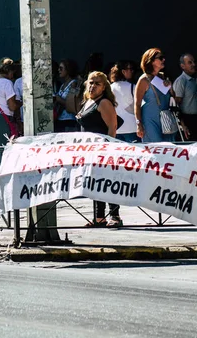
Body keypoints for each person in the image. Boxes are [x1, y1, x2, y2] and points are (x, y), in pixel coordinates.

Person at [75, 71, 122, 227]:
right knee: (94, 183)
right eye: (90, 82)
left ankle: (115, 216)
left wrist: (108, 149)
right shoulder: (87, 101)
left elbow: (112, 126)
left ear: (104, 87)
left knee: (107, 182)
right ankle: (99, 217)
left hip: (103, 150)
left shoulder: (104, 103)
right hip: (90, 150)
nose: (92, 86)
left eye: (97, 83)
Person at [134, 48, 175, 143]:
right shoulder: (144, 80)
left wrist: (170, 86)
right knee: (155, 148)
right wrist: (139, 124)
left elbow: (173, 99)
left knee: (168, 148)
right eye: (160, 58)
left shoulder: (162, 77)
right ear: (151, 61)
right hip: (150, 120)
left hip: (165, 119)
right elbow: (137, 104)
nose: (163, 60)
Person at [173, 53, 197, 141]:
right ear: (183, 66)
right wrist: (183, 125)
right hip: (187, 120)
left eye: (194, 62)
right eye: (190, 62)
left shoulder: (196, 79)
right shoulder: (181, 81)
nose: (193, 64)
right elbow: (176, 105)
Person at [110, 61, 139, 143]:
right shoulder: (133, 87)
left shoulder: (109, 88)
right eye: (130, 69)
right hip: (132, 126)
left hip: (116, 128)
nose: (132, 72)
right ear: (123, 71)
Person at [54, 59, 81, 132]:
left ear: (68, 70)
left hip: (69, 120)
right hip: (60, 118)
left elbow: (74, 104)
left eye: (61, 68)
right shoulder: (63, 85)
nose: (58, 70)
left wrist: (59, 100)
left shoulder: (73, 84)